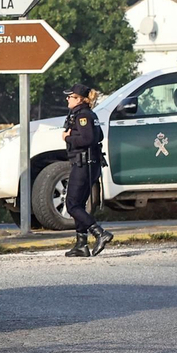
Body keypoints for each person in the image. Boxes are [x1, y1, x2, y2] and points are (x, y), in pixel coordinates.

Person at [63, 83, 113, 256]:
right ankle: (81, 244)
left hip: (83, 164)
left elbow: (88, 139)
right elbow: (100, 135)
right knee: (79, 205)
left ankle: (99, 233)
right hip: (90, 164)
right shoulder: (89, 114)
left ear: (79, 99)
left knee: (72, 205)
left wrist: (68, 137)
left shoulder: (82, 115)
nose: (67, 99)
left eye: (70, 96)